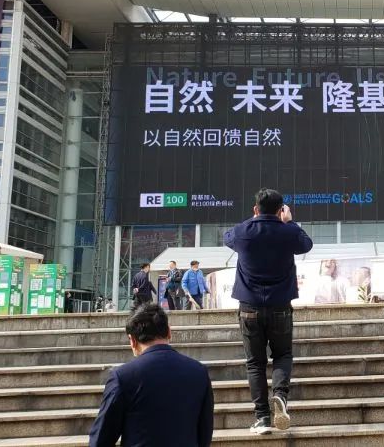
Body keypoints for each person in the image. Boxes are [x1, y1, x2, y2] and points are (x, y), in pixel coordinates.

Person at [224, 188, 314, 434]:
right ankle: (280, 396)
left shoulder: (243, 232)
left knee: (255, 363)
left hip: (249, 308)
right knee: (282, 355)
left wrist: (255, 219)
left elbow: (227, 236)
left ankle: (262, 418)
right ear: (280, 210)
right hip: (280, 307)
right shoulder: (288, 231)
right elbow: (306, 244)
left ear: (255, 209)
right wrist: (289, 221)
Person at [88, 304, 213, 447]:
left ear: (132, 340)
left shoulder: (122, 377)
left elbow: (100, 439)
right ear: (169, 332)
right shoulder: (199, 372)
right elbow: (204, 434)